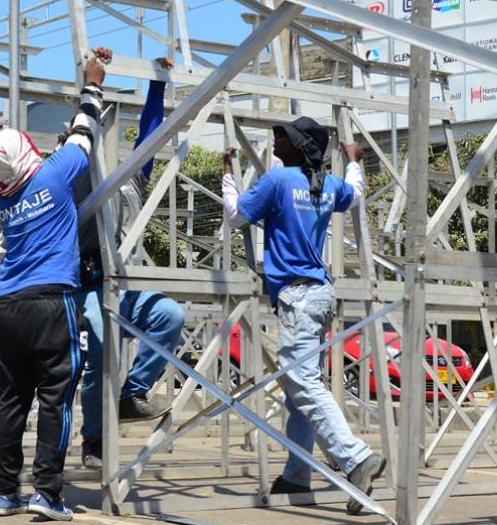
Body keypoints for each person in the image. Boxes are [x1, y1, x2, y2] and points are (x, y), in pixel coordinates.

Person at [220, 117, 385, 515]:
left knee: (303, 382)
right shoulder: (328, 184)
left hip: (297, 295)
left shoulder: (279, 181)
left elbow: (235, 216)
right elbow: (356, 195)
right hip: (321, 296)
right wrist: (355, 161)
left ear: (298, 147)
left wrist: (227, 174)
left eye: (284, 137)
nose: (276, 141)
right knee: (299, 391)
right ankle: (297, 473)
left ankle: (355, 458)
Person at [0, 47, 108, 521]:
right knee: (56, 397)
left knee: (12, 400)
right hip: (52, 301)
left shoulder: (3, 198)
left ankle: (3, 492)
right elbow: (84, 131)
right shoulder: (54, 177)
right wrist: (92, 81)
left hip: (9, 304)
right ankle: (48, 493)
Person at [73, 59, 185, 469]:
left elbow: (152, 132)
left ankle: (130, 393)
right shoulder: (82, 180)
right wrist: (89, 82)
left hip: (123, 288)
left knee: (170, 314)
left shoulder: (133, 181)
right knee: (101, 345)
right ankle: (94, 438)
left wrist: (157, 82)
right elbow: (81, 132)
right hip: (87, 286)